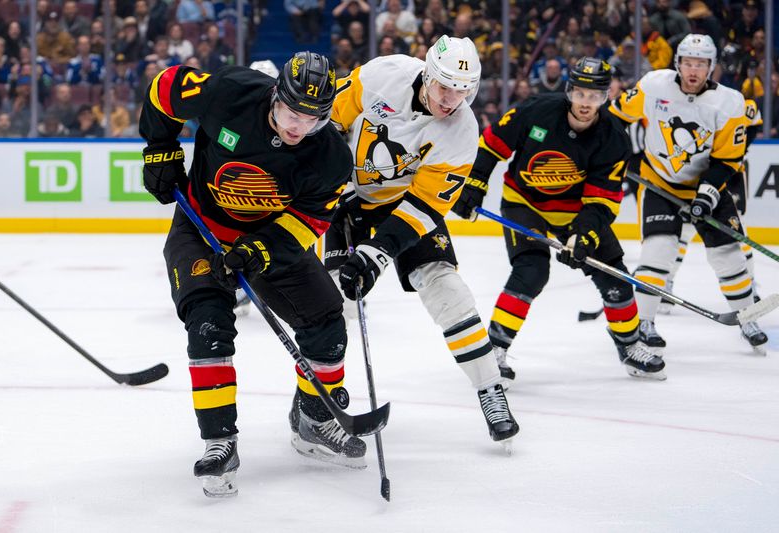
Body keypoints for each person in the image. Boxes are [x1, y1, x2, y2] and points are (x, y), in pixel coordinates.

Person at [139, 52, 362, 498]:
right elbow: (164, 87)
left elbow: (307, 223)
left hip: (265, 240)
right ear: (275, 94)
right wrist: (160, 149)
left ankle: (314, 420)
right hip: (201, 228)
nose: (298, 127)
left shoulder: (331, 157)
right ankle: (220, 441)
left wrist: (258, 250)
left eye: (312, 119)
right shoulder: (230, 93)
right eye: (290, 112)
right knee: (209, 324)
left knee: (327, 323)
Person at [324, 35, 518, 449]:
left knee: (446, 287)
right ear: (427, 75)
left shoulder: (463, 130)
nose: (451, 100)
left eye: (463, 91)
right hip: (347, 198)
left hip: (403, 203)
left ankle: (490, 390)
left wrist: (375, 255)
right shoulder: (382, 75)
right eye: (445, 87)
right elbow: (328, 120)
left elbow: (426, 204)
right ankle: (317, 405)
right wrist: (327, 178)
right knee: (330, 303)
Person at [452, 57, 666, 381]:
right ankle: (495, 349)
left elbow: (602, 201)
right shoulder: (535, 110)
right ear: (569, 90)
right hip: (525, 204)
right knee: (531, 271)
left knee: (616, 278)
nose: (586, 103)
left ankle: (629, 344)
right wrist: (475, 185)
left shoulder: (613, 137)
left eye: (594, 96)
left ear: (605, 97)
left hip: (575, 212)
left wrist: (583, 236)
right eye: (580, 94)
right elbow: (493, 145)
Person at [608, 34, 767, 355]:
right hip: (660, 183)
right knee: (658, 252)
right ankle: (645, 323)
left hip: (708, 186)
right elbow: (615, 118)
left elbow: (727, 160)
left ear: (711, 67)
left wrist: (707, 195)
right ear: (677, 63)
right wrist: (610, 154)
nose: (693, 70)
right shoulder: (653, 85)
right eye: (688, 63)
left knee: (728, 256)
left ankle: (748, 317)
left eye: (701, 64)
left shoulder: (730, 102)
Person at [649, 98, 767, 354]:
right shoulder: (680, 103)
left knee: (735, 241)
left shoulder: (737, 104)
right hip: (686, 183)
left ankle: (749, 295)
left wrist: (738, 151)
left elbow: (753, 125)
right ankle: (665, 285)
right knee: (679, 237)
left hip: (726, 179)